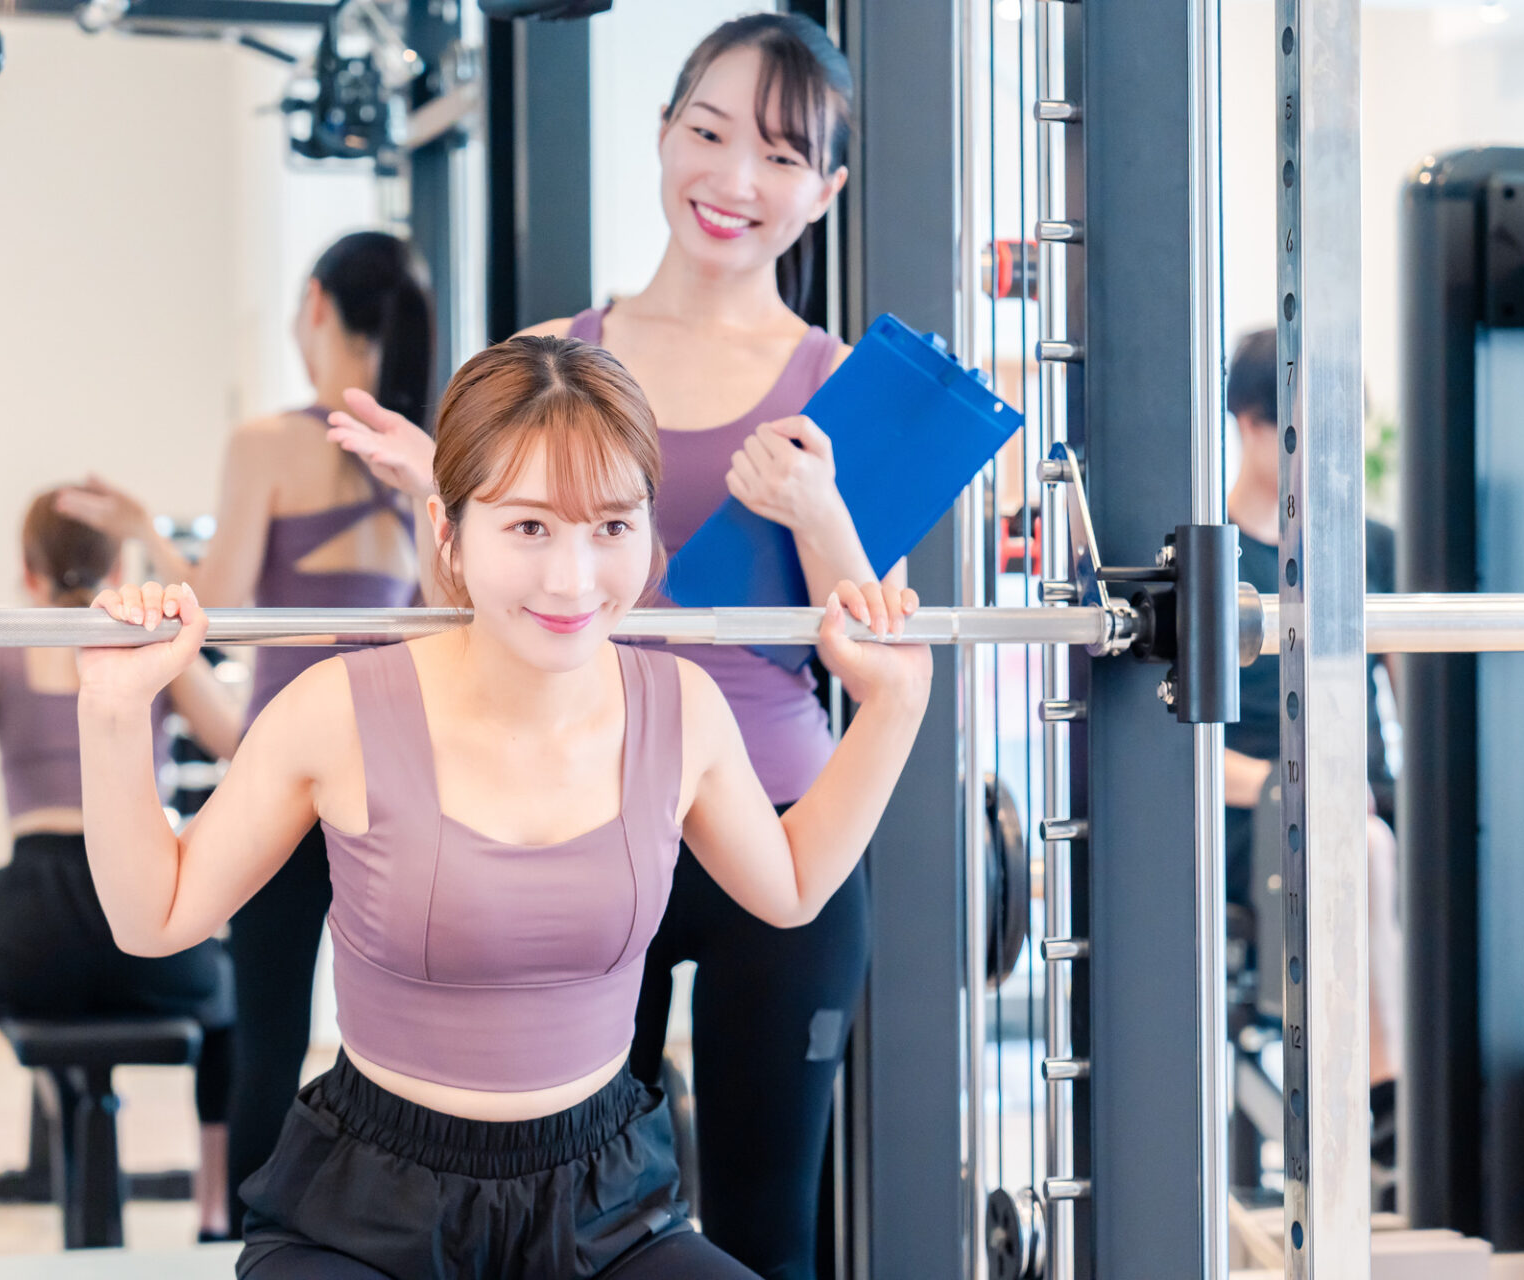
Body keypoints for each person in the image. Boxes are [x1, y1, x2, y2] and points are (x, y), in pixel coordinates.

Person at [73, 336, 930, 1279]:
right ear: (448, 533)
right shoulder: (335, 711)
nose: (574, 579)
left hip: (608, 1208)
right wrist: (113, 714)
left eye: (612, 527)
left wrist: (894, 706)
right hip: (370, 1215)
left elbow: (792, 886)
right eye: (529, 528)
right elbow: (155, 917)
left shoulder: (681, 709)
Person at [321, 18, 881, 1275]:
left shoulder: (836, 382)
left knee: (767, 1229)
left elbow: (875, 652)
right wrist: (439, 496)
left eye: (782, 155)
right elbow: (470, 613)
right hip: (570, 815)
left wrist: (819, 511)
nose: (735, 179)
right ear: (663, 133)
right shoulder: (544, 361)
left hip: (773, 824)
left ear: (827, 189)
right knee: (560, 1219)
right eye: (710, 132)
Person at [56, 230, 436, 1215]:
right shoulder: (427, 453)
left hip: (287, 774)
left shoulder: (269, 444)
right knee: (399, 1038)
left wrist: (146, 531)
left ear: (316, 305)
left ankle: (254, 1233)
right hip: (398, 775)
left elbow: (214, 605)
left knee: (269, 1028)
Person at [0, 490, 244, 1257]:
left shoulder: (2, 652)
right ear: (118, 566)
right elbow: (243, 743)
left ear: (28, 572)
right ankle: (216, 1219)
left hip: (35, 918)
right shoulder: (153, 648)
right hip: (143, 908)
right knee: (230, 999)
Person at [1222, 326, 1405, 1161]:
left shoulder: (1371, 546)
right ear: (1251, 424)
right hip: (1257, 808)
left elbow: (1421, 701)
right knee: (1363, 845)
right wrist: (1289, 786)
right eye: (1306, 427)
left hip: (1365, 795)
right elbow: (1181, 745)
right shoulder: (1212, 557)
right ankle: (1389, 1107)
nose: (1327, 451)